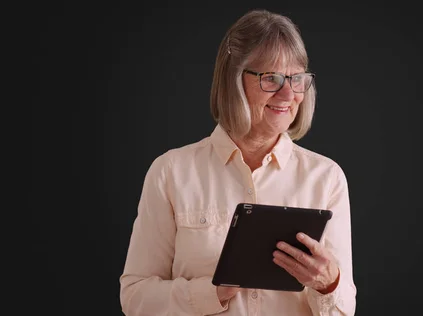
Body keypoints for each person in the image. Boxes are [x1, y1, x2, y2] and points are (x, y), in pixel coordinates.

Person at [119, 9, 357, 316]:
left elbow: (344, 310)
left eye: (296, 78)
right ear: (234, 81)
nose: (288, 94)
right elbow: (135, 298)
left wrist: (329, 284)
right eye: (271, 78)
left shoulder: (326, 178)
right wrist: (213, 292)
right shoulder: (170, 172)